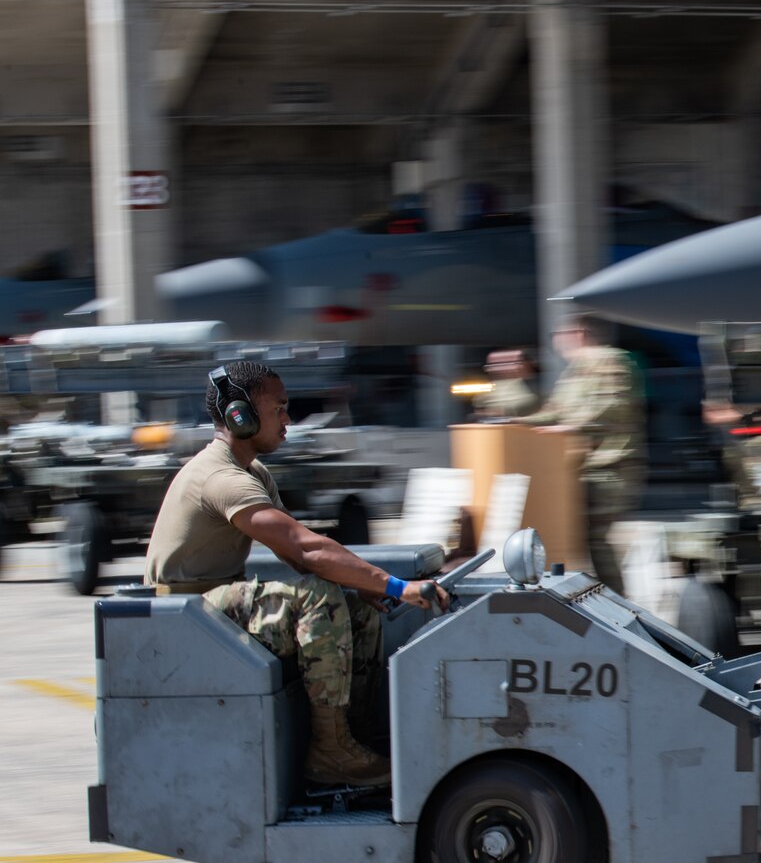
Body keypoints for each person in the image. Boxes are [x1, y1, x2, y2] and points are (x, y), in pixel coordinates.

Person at [145, 361, 450, 787]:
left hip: (214, 605)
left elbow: (299, 555)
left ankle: (352, 737)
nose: (289, 419)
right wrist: (398, 586)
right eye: (280, 409)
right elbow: (306, 548)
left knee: (352, 605)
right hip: (185, 615)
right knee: (317, 598)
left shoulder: (253, 472)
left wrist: (360, 586)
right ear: (241, 415)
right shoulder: (220, 477)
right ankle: (330, 754)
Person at [519, 315, 644, 594]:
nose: (556, 341)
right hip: (579, 468)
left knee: (596, 538)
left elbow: (614, 404)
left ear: (579, 333)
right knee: (575, 539)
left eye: (559, 334)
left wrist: (572, 427)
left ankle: (619, 600)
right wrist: (520, 425)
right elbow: (556, 411)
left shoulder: (612, 360)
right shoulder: (573, 371)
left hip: (610, 466)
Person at [476, 348, 540, 419]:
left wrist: (504, 411)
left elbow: (529, 402)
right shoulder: (493, 385)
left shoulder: (532, 384)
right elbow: (480, 403)